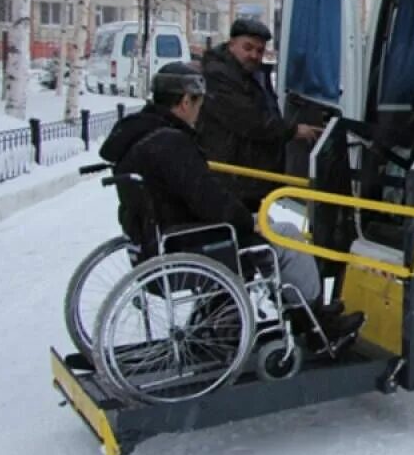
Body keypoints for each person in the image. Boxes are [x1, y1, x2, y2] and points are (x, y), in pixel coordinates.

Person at [99, 62, 363, 349]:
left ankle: (299, 315)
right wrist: (248, 221)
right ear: (186, 101)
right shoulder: (170, 143)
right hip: (191, 244)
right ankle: (316, 324)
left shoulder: (138, 136)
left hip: (162, 239)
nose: (200, 113)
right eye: (199, 103)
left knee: (269, 227)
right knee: (287, 237)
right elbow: (210, 199)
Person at [197, 18, 322, 211]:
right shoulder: (218, 75)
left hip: (251, 178)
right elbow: (249, 120)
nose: (254, 55)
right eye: (248, 48)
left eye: (260, 50)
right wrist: (292, 130)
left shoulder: (252, 75)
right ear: (232, 45)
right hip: (234, 177)